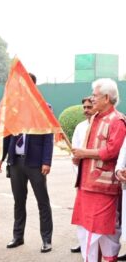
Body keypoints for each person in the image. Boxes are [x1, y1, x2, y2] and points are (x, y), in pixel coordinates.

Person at [0, 73, 54, 253]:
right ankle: (18, 236)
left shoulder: (44, 108)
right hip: (16, 163)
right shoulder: (14, 109)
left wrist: (46, 161)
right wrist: (2, 156)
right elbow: (7, 136)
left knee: (42, 201)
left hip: (35, 163)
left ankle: (46, 239)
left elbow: (48, 137)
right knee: (18, 201)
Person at [72, 78, 126, 262]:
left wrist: (84, 152)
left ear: (106, 97)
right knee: (87, 231)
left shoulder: (117, 120)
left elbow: (113, 151)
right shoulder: (94, 118)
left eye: (95, 95)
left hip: (104, 188)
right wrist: (78, 157)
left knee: (105, 231)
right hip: (86, 186)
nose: (92, 98)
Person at [70, 96, 95, 253]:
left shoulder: (106, 125)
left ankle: (96, 245)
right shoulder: (80, 127)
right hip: (82, 178)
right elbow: (74, 152)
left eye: (89, 107)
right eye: (84, 107)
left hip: (100, 180)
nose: (86, 110)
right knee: (83, 213)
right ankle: (83, 242)